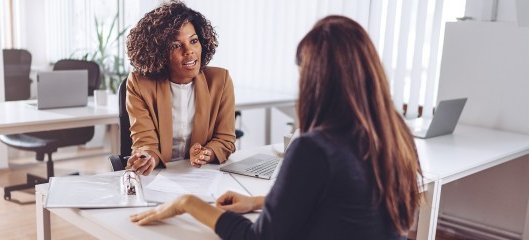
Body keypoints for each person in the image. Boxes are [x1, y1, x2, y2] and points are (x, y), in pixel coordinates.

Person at [129, 15, 422, 239]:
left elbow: (259, 238)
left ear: (315, 79)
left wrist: (188, 203)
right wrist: (257, 201)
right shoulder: (393, 133)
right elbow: (341, 200)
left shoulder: (313, 148)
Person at [124, 0, 236, 176]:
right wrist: (148, 157)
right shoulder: (140, 84)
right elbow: (145, 142)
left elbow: (225, 139)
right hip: (159, 175)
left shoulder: (220, 81)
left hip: (201, 175)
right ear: (158, 52)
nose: (189, 51)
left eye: (193, 41)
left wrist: (207, 153)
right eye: (176, 45)